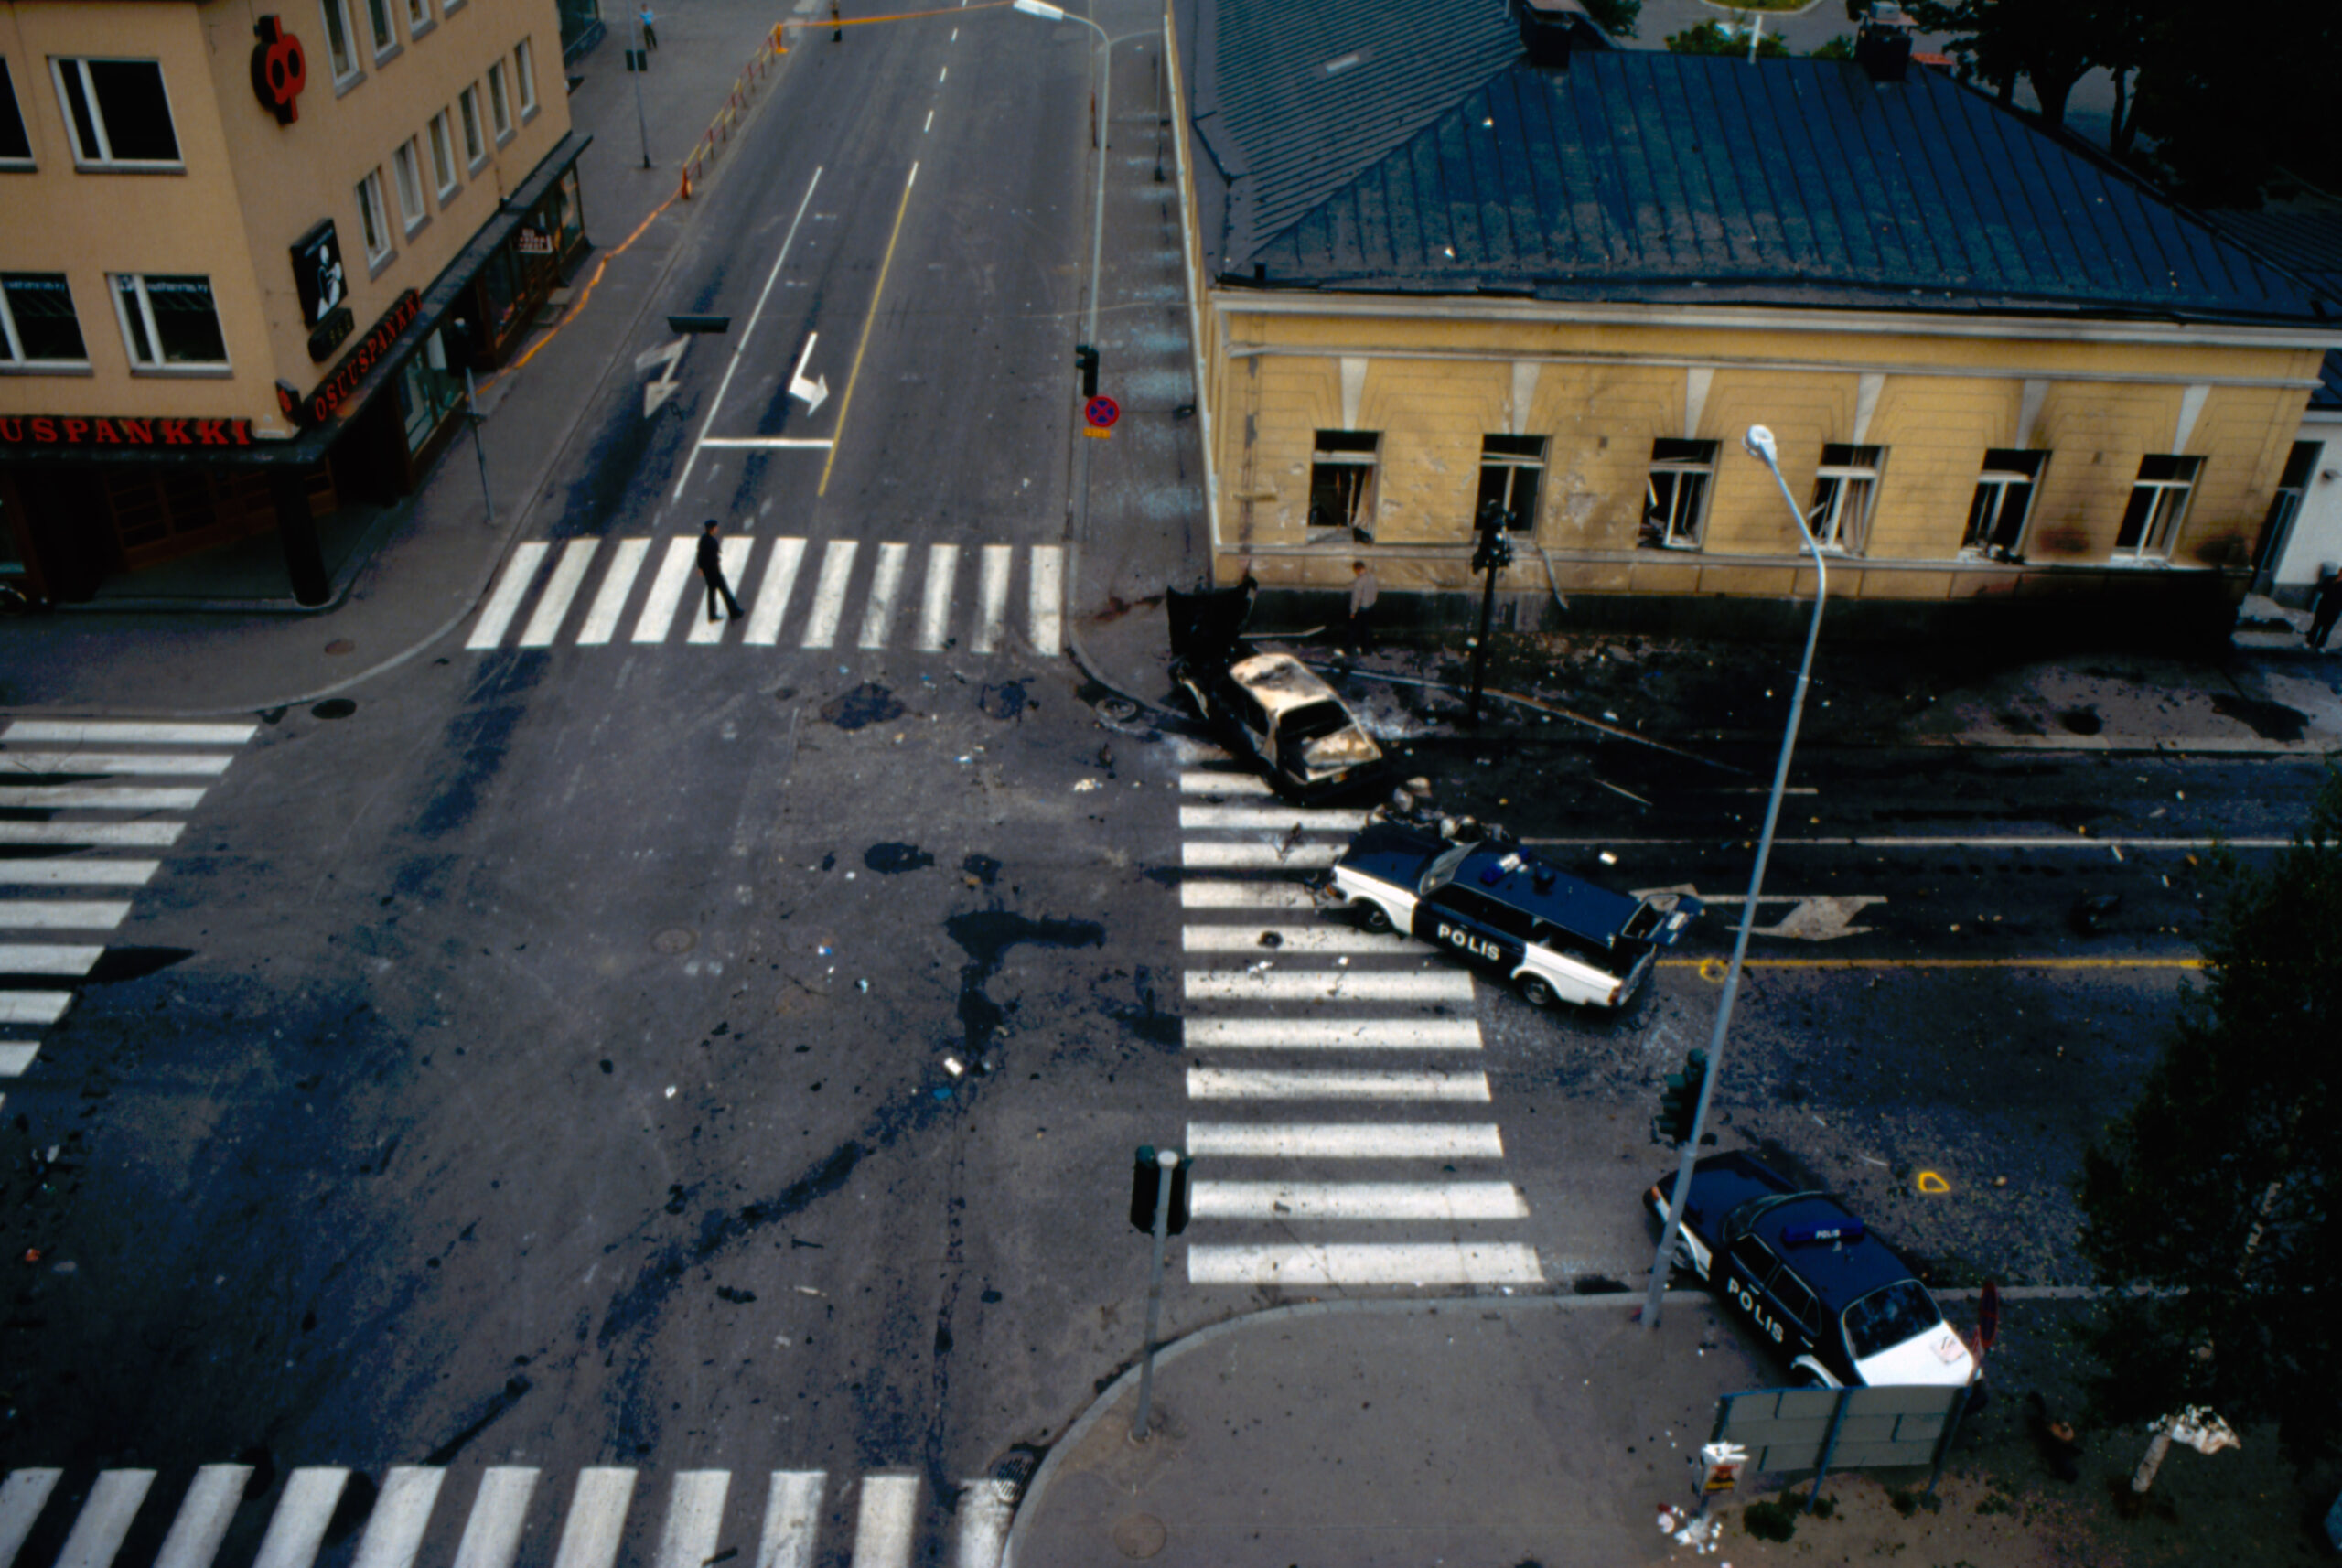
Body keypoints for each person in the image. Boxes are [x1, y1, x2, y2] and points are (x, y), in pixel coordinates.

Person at [697, 519, 743, 621]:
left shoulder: (703, 539)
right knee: (725, 592)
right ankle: (734, 612)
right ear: (712, 529)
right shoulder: (712, 542)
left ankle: (712, 615)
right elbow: (712, 558)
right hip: (714, 572)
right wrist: (717, 561)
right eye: (716, 527)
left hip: (708, 573)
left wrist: (700, 568)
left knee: (711, 593)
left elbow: (700, 555)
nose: (717, 529)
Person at [1345, 559, 1379, 652]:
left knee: (1353, 629)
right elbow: (1375, 592)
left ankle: (1348, 649)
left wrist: (1353, 611)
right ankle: (1366, 649)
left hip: (1361, 608)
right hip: (1370, 607)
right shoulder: (1372, 577)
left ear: (1357, 569)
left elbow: (1356, 598)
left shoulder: (1359, 582)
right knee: (1366, 629)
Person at [2309, 566, 2342, 651]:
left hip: (2335, 609)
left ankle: (2320, 645)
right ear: (2339, 571)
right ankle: (2309, 642)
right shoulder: (2330, 578)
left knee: (2327, 628)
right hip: (2323, 605)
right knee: (2316, 625)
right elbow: (2321, 588)